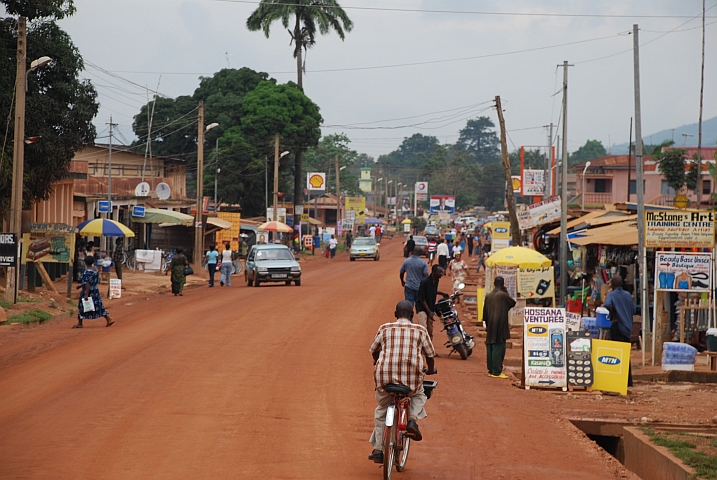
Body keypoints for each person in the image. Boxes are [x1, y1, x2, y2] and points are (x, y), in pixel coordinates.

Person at [368, 300, 437, 463]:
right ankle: (412, 419)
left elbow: (374, 350)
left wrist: (377, 360)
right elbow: (430, 355)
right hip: (411, 380)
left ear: (395, 315)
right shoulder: (420, 330)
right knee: (419, 394)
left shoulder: (385, 328)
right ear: (412, 316)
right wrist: (431, 369)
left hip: (385, 379)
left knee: (381, 411)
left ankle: (378, 449)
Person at [603, 275, 636, 387]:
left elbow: (607, 305)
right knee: (626, 354)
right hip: (628, 328)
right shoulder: (627, 295)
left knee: (616, 354)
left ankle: (617, 379)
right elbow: (634, 309)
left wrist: (614, 313)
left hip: (617, 326)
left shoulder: (611, 294)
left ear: (612, 285)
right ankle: (628, 381)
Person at [483, 276, 516, 378]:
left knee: (490, 347)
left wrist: (487, 324)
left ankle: (491, 369)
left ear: (494, 283)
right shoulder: (502, 295)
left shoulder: (488, 295)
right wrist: (506, 292)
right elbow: (512, 303)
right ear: (503, 284)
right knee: (499, 347)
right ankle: (497, 371)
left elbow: (485, 312)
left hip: (490, 324)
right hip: (500, 325)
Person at [73, 255, 113, 328]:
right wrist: (81, 286)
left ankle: (80, 323)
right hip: (95, 290)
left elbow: (88, 283)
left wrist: (86, 294)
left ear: (85, 262)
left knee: (81, 305)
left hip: (88, 291)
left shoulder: (87, 272)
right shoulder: (95, 270)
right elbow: (91, 281)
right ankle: (108, 318)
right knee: (98, 305)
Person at [416, 265, 449, 339]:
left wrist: (442, 293)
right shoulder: (425, 282)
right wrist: (429, 312)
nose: (441, 274)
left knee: (430, 331)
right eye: (439, 272)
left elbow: (432, 291)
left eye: (442, 272)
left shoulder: (436, 280)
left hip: (430, 307)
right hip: (422, 308)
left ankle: (429, 349)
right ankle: (421, 349)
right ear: (433, 272)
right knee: (423, 329)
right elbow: (422, 299)